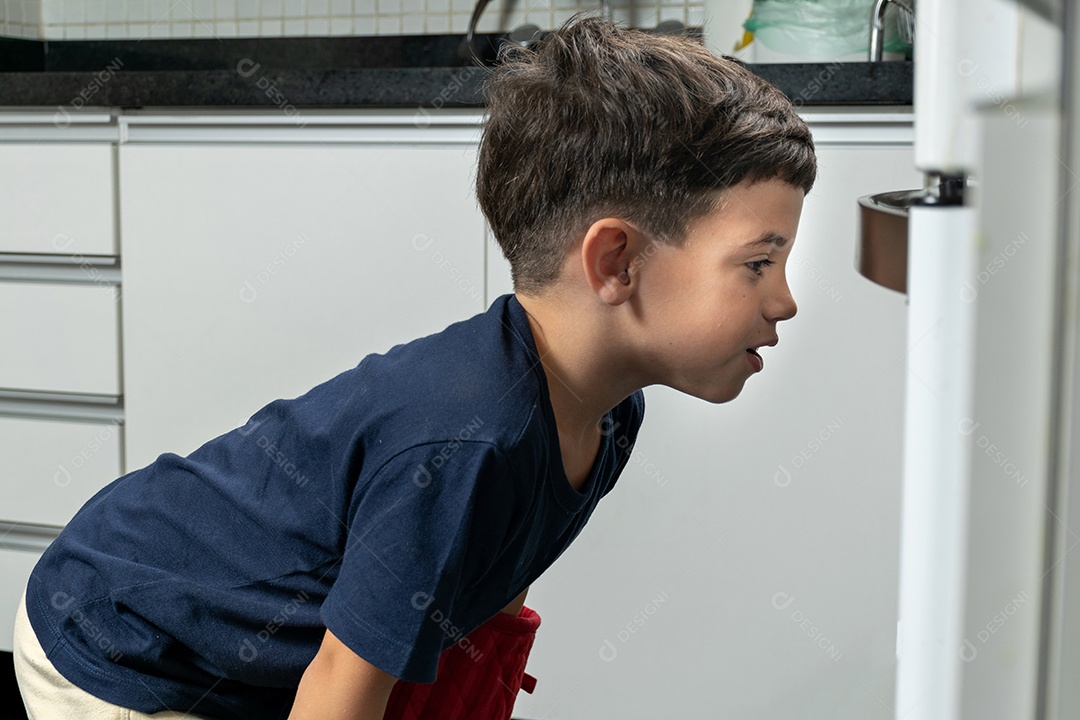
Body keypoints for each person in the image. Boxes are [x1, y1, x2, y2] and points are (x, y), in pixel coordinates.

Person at [13, 12, 816, 720]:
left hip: (245, 661)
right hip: (125, 647)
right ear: (615, 261)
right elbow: (340, 688)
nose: (784, 301)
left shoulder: (607, 414)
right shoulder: (464, 443)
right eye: (757, 263)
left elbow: (488, 595)